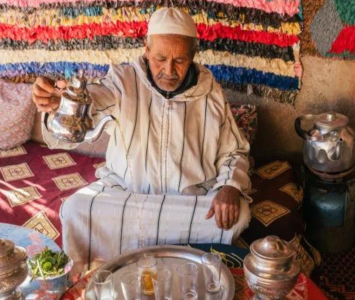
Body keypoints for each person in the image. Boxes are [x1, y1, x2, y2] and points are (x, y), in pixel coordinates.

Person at [32, 7, 252, 273]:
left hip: (184, 203)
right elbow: (93, 101)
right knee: (76, 208)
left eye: (179, 60)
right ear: (146, 49)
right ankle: (98, 279)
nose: (168, 70)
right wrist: (62, 103)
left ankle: (149, 259)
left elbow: (234, 152)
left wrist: (230, 186)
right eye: (160, 58)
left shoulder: (210, 93)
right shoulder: (122, 82)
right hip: (127, 194)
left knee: (238, 213)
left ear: (193, 55)